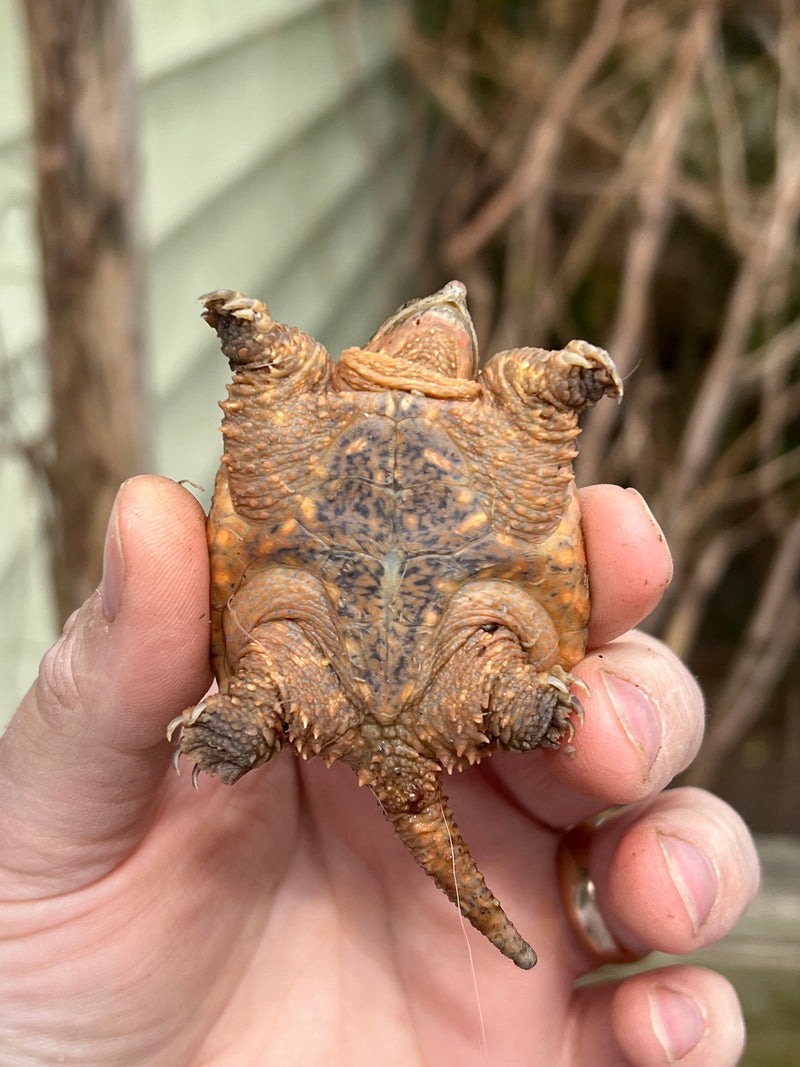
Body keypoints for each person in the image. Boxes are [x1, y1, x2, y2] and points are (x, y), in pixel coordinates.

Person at [0, 476, 758, 1066]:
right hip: (321, 632)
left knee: (535, 702)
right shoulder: (488, 405)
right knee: (284, 681)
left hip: (422, 637)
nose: (451, 305)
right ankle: (265, 715)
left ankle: (493, 703)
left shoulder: (474, 408)